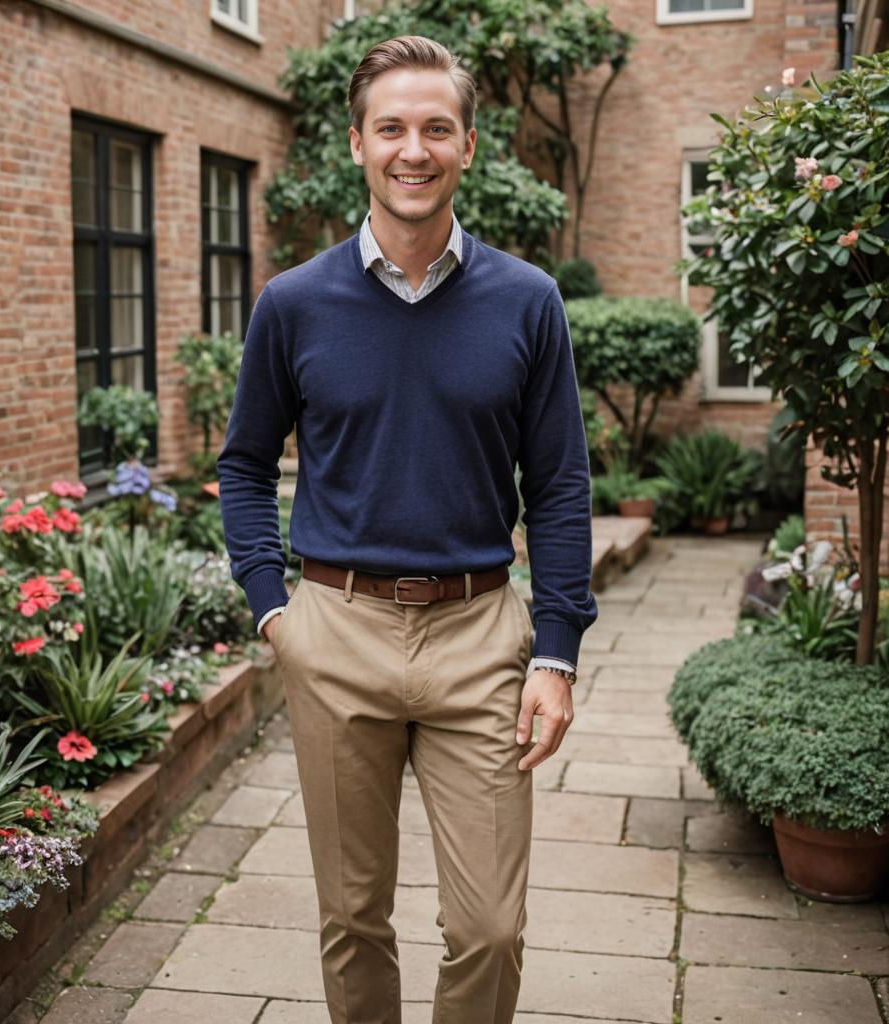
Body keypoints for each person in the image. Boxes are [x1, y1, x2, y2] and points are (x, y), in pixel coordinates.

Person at [217, 34, 597, 1024]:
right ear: (356, 143)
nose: (412, 148)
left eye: (436, 127)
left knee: (489, 929)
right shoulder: (293, 305)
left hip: (479, 640)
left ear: (468, 144)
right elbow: (244, 465)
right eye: (391, 127)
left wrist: (554, 652)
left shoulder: (526, 302)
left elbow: (558, 484)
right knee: (352, 917)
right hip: (335, 632)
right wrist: (273, 613)